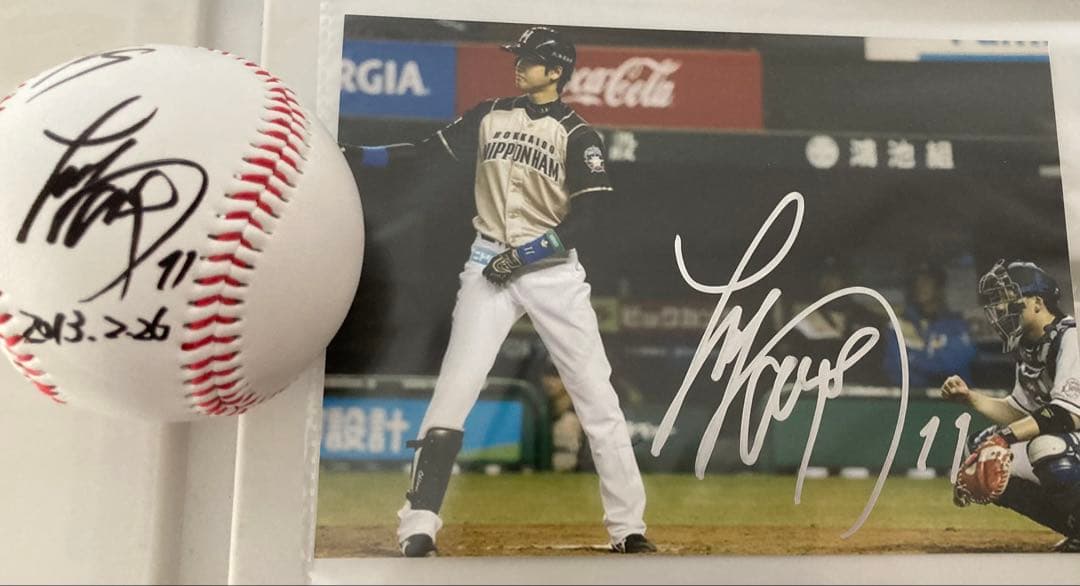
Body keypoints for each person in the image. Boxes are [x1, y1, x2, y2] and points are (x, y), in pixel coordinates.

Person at [343, 25, 654, 557]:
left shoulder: (579, 135)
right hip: (488, 261)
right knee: (454, 390)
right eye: (519, 57)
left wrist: (525, 256)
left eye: (529, 59)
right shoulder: (489, 115)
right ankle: (417, 524)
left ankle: (628, 528)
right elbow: (423, 153)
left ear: (555, 71)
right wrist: (355, 154)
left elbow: (588, 219)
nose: (519, 65)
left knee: (596, 397)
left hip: (552, 273)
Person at [941, 259, 1080, 552]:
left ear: (1038, 303)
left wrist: (1004, 437)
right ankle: (1076, 529)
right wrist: (971, 397)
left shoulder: (1072, 336)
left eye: (1009, 299)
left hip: (1071, 425)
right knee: (982, 451)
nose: (1001, 308)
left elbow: (1068, 414)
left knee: (1048, 447)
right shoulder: (1030, 345)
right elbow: (1021, 412)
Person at [884, 262, 976, 388]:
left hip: (954, 397)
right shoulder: (899, 326)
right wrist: (930, 362)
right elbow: (895, 370)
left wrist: (913, 358)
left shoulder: (956, 325)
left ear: (939, 287)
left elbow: (955, 364)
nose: (920, 286)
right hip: (914, 397)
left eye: (927, 280)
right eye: (916, 281)